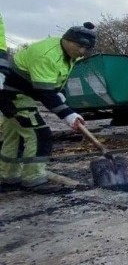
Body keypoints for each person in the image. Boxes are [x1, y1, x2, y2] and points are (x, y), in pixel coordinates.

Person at [0, 22, 95, 193]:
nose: (82, 52)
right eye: (79, 46)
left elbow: (55, 80)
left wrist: (59, 92)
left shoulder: (69, 53)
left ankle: (8, 177)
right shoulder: (47, 55)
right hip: (13, 95)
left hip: (23, 93)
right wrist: (68, 114)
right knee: (39, 135)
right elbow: (44, 93)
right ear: (68, 40)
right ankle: (34, 179)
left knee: (14, 137)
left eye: (85, 49)